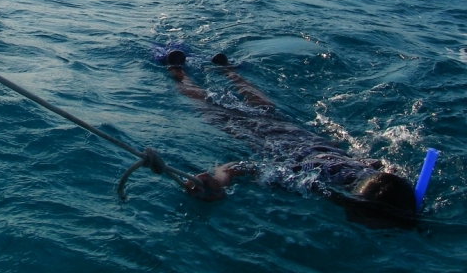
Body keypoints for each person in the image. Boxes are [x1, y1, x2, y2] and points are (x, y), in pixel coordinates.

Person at [163, 50, 418, 228]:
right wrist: (221, 179)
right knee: (214, 110)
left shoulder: (367, 170)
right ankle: (176, 71)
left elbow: (385, 171)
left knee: (265, 109)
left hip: (307, 138)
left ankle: (229, 71)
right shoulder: (316, 183)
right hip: (278, 143)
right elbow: (246, 167)